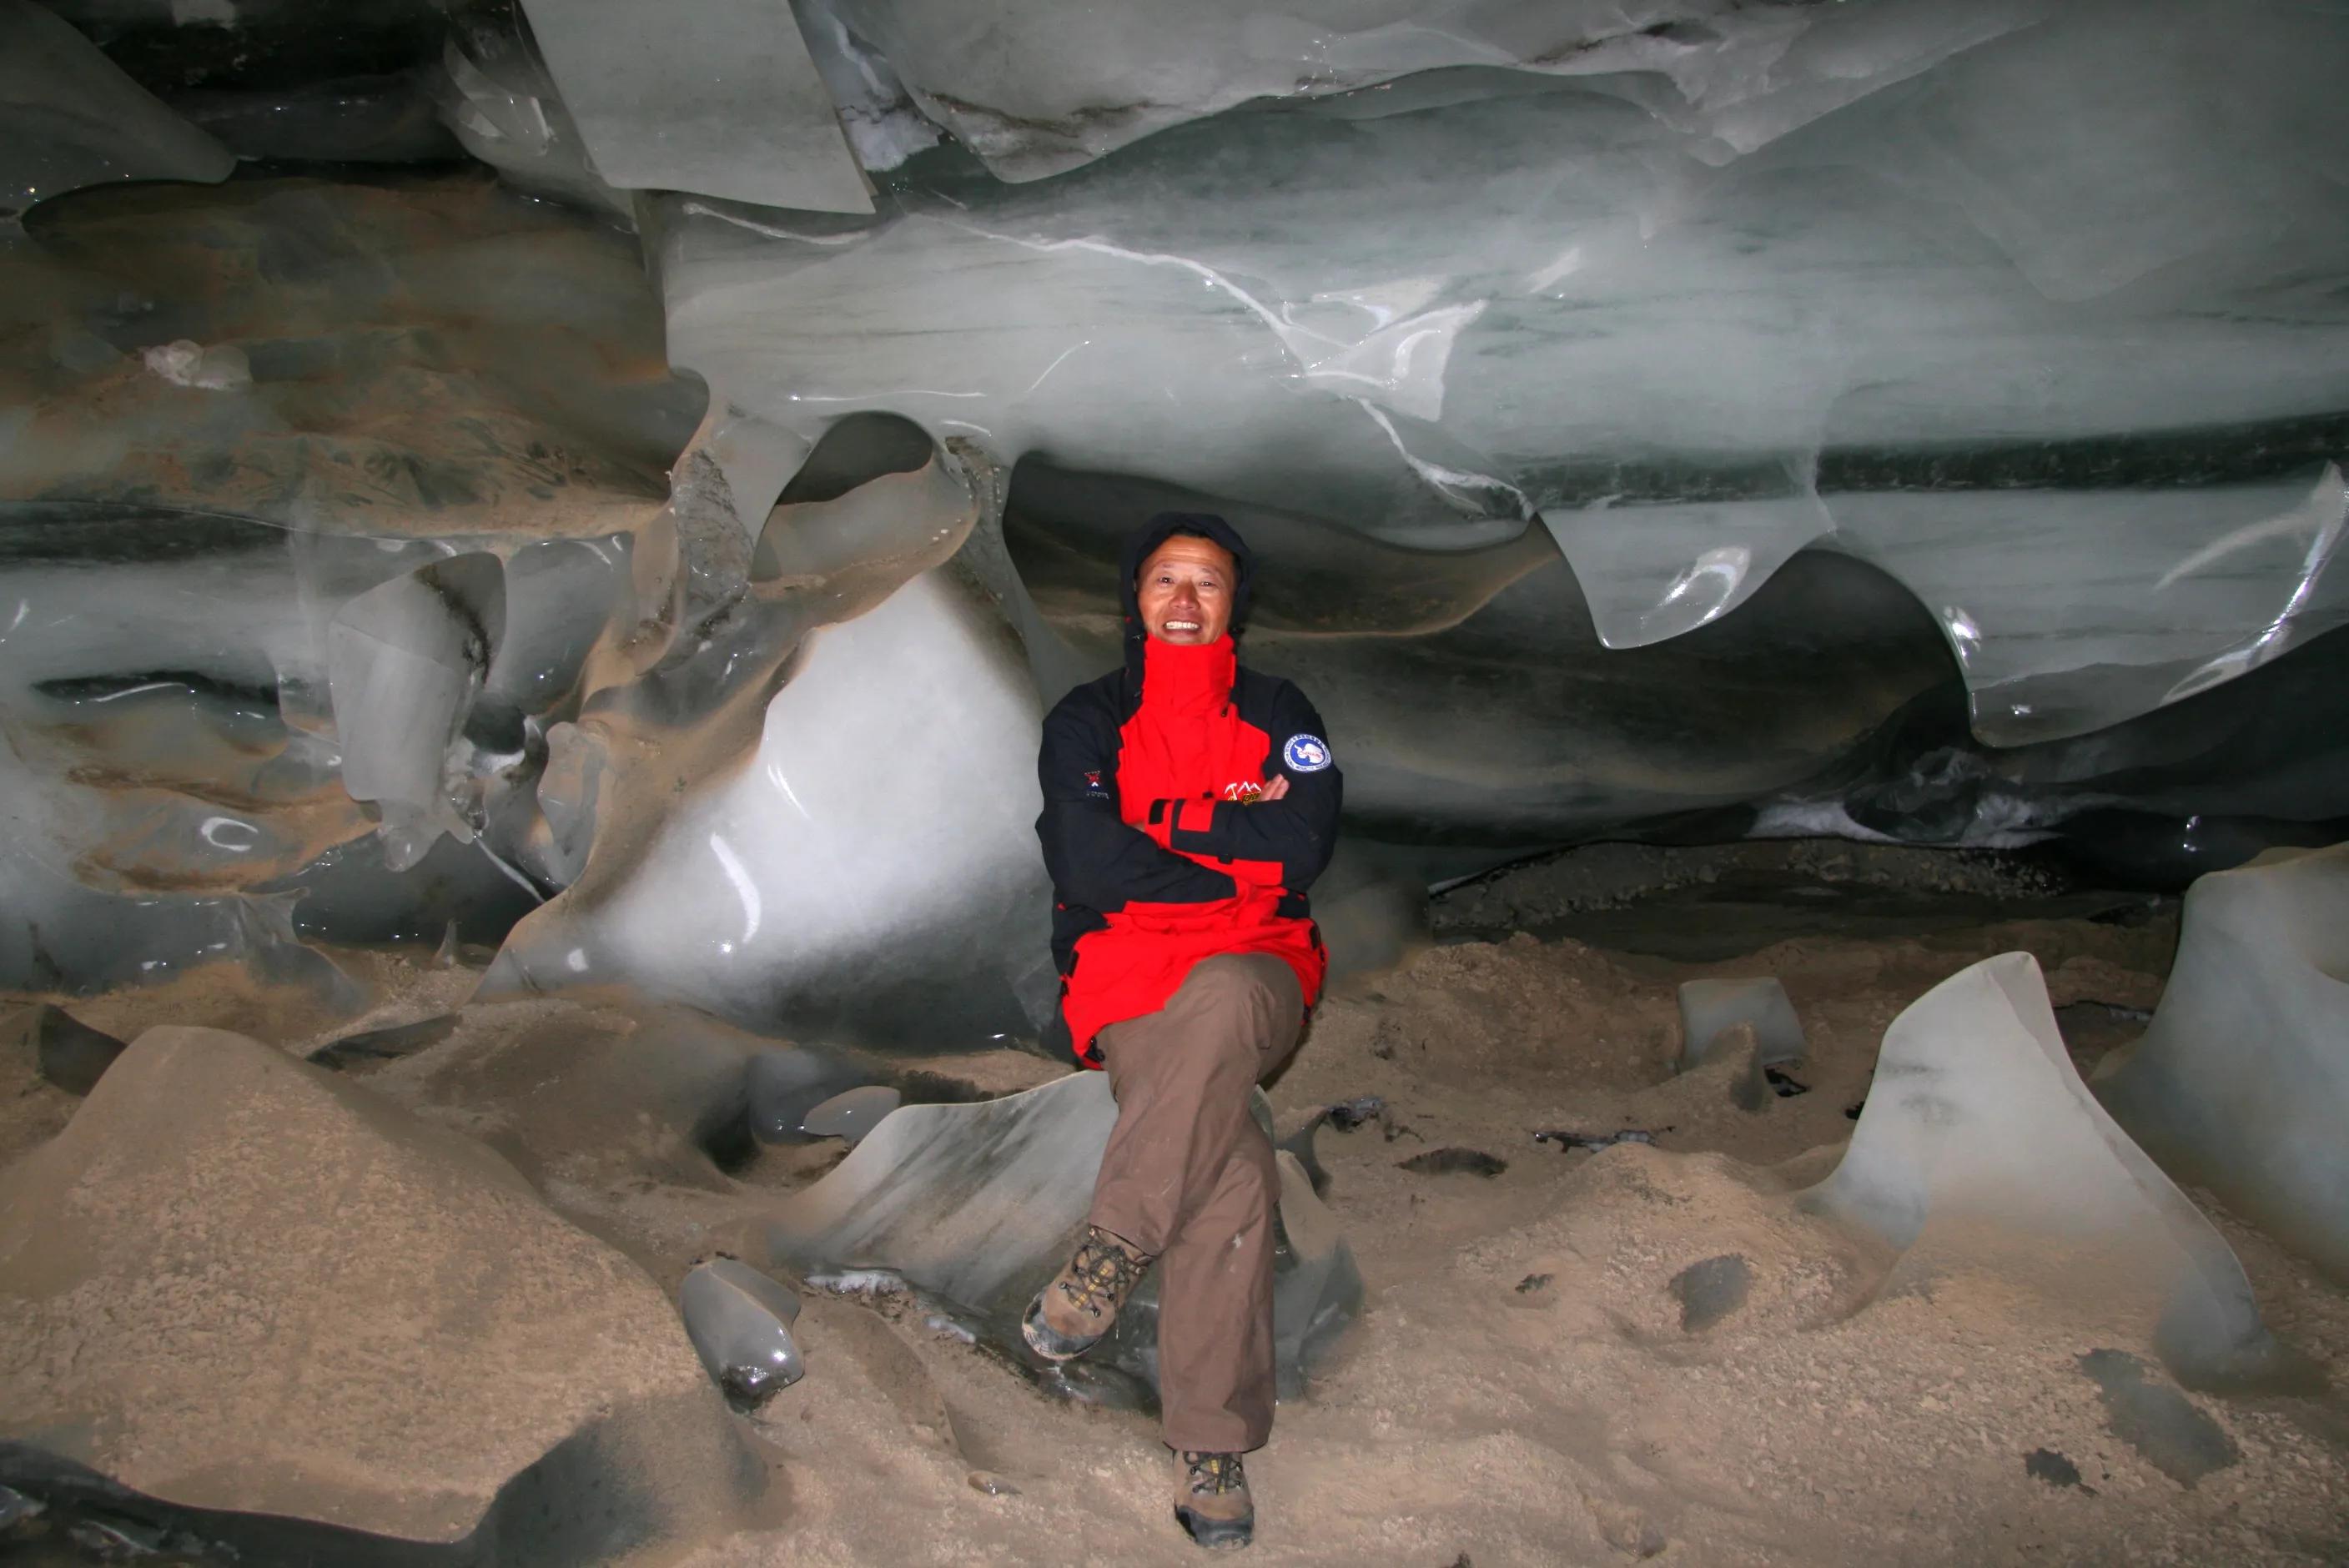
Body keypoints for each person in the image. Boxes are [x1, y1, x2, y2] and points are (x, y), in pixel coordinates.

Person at [1024, 511, 1341, 1550]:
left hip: (1256, 966)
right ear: (1137, 598)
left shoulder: (1279, 714)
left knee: (1219, 999)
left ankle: (1114, 1242)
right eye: (1167, 579)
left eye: (1207, 582)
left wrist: (1162, 824)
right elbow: (1089, 864)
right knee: (1235, 1172)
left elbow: (1299, 842)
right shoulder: (1085, 720)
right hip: (1124, 969)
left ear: (1231, 603)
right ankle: (1213, 1445)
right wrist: (1224, 852)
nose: (1186, 600)